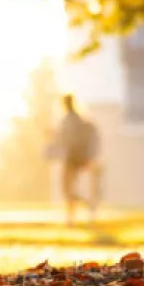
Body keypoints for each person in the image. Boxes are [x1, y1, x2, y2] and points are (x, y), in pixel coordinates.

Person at [52, 94, 101, 226]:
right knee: (68, 190)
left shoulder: (72, 120)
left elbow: (70, 140)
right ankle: (75, 213)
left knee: (67, 189)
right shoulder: (71, 119)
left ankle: (77, 212)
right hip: (72, 158)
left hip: (73, 158)